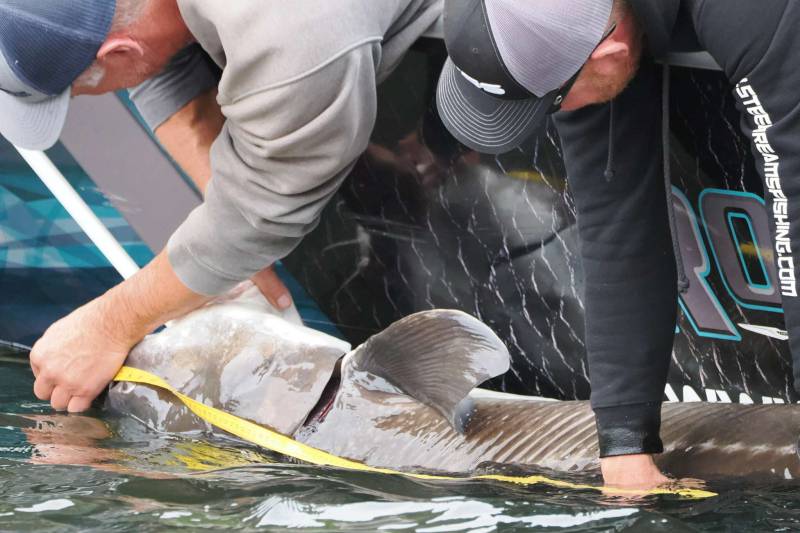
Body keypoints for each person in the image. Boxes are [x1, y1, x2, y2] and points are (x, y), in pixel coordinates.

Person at [0, 0, 441, 412]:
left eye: (74, 93)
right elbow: (157, 64)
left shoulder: (287, 32)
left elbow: (265, 205)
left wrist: (108, 326)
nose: (80, 99)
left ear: (118, 53)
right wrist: (223, 243)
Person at [436, 0, 800, 489]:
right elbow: (613, 213)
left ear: (610, 52)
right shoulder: (576, 25)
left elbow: (792, 197)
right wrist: (625, 443)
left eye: (550, 105)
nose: (555, 117)